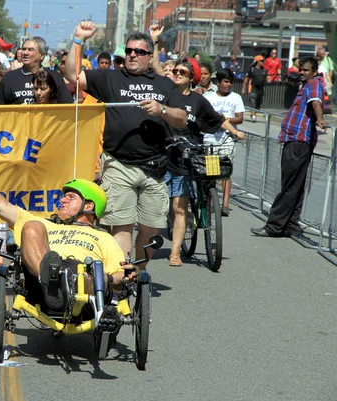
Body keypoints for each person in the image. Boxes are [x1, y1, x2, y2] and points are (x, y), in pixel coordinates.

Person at [63, 21, 187, 265]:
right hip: (119, 164)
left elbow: (181, 119)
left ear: (150, 57)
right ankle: (122, 280)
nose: (132, 55)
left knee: (152, 229)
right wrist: (78, 39)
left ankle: (137, 274)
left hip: (155, 168)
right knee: (121, 226)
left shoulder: (164, 84)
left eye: (139, 52)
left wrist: (161, 109)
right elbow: (72, 75)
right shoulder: (111, 78)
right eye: (129, 51)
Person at [0, 163, 137, 311]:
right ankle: (52, 282)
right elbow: (0, 206)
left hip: (85, 286)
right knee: (32, 225)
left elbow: (118, 274)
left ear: (88, 206)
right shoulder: (44, 225)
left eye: (71, 197)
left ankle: (65, 282)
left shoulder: (103, 237)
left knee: (90, 270)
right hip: (42, 282)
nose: (62, 200)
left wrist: (125, 275)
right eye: (64, 197)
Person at [165, 59, 244, 266]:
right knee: (163, 208)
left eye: (183, 71)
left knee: (179, 208)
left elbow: (218, 120)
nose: (178, 74)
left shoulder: (198, 101)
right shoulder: (165, 94)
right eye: (175, 71)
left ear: (192, 78)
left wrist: (234, 131)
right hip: (164, 155)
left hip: (187, 156)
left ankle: (175, 253)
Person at [251, 57, 328, 238]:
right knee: (295, 185)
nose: (302, 72)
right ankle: (292, 225)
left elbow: (316, 102)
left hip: (298, 141)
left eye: (306, 70)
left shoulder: (314, 84)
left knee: (289, 186)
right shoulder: (306, 85)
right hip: (295, 140)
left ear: (315, 72)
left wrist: (320, 119)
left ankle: (274, 226)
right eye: (301, 69)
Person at [202, 69, 245, 216]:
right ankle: (213, 201)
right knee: (213, 172)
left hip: (228, 139)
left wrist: (224, 119)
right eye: (226, 82)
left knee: (226, 172)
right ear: (218, 82)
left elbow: (240, 118)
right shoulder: (208, 97)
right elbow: (204, 117)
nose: (228, 85)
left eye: (230, 82)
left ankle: (225, 203)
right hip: (210, 139)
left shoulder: (236, 97)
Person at [0, 36, 73, 105]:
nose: (25, 53)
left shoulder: (55, 77)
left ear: (42, 55)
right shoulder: (10, 78)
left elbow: (67, 107)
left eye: (30, 50)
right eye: (24, 49)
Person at [242, 55, 267, 123]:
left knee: (257, 105)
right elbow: (246, 79)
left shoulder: (264, 70)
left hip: (260, 90)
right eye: (261, 61)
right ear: (258, 62)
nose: (263, 62)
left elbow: (267, 79)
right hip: (253, 88)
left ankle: (253, 114)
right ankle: (253, 116)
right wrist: (243, 89)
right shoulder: (252, 69)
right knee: (253, 102)